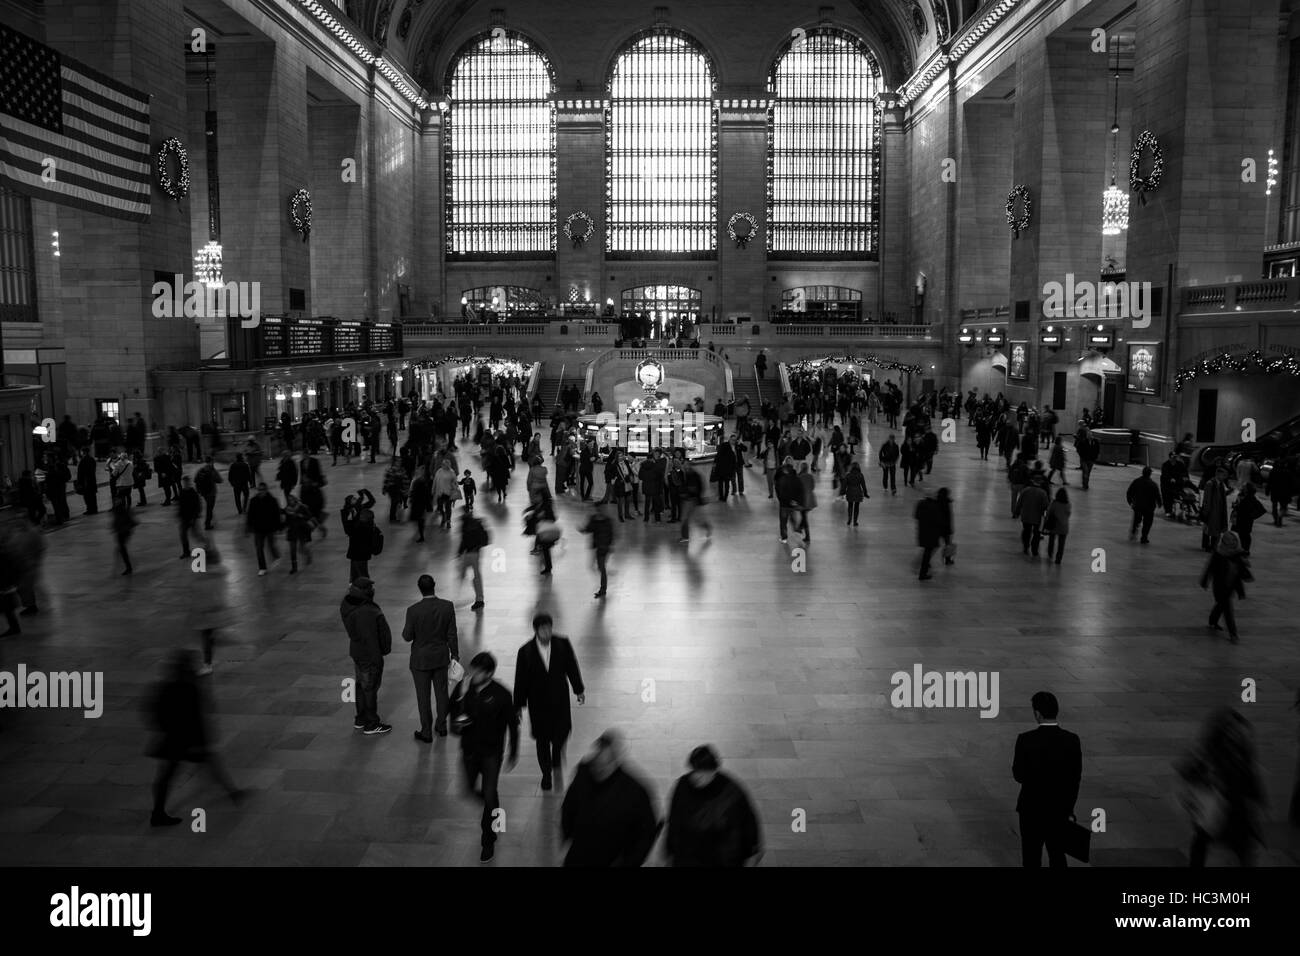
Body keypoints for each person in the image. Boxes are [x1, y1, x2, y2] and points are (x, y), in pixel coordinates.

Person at [146, 650, 242, 826]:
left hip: (173, 739)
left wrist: (164, 730)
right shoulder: (189, 689)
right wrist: (201, 741)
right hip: (186, 740)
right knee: (209, 764)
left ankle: (158, 812)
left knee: (167, 775)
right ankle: (232, 792)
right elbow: (197, 717)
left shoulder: (167, 687)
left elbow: (154, 711)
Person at [450, 652, 519, 863]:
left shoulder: (501, 694)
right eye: (472, 669)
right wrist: (456, 725)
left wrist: (513, 752)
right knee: (469, 790)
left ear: (489, 673)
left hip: (491, 753)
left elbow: (512, 726)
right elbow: (452, 713)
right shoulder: (464, 688)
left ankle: (488, 839)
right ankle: (493, 805)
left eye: (478, 671)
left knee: (489, 794)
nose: (472, 674)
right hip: (469, 750)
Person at [1175, 707, 1264, 867]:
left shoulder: (1241, 750)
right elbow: (1189, 770)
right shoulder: (1212, 753)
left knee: (1238, 844)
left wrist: (1257, 799)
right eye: (1233, 730)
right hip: (1217, 804)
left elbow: (1250, 777)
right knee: (1206, 838)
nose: (1239, 734)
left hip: (1233, 807)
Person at [560, 730, 660, 867]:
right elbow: (569, 806)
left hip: (612, 858)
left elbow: (646, 833)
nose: (600, 769)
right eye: (597, 762)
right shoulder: (583, 774)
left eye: (606, 764)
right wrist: (567, 834)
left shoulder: (634, 791)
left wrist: (630, 862)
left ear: (616, 762)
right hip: (580, 854)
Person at [513, 613, 586, 791]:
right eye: (543, 629)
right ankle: (546, 773)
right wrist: (518, 706)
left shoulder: (562, 643)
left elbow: (572, 666)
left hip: (559, 699)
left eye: (549, 628)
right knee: (542, 739)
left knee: (562, 732)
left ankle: (556, 756)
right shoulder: (526, 651)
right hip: (538, 703)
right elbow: (520, 679)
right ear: (536, 630)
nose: (546, 632)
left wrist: (579, 689)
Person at [1012, 691, 1083, 868]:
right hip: (1059, 810)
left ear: (1037, 714)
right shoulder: (1072, 740)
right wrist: (1069, 807)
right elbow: (1075, 779)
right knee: (1058, 856)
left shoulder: (1025, 739)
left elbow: (1018, 775)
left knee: (1031, 857)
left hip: (1031, 809)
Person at [664, 745, 763, 867]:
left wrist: (752, 853)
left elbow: (747, 824)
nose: (697, 776)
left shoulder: (732, 793)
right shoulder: (682, 786)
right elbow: (674, 820)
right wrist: (669, 850)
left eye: (703, 771)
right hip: (688, 857)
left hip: (720, 859)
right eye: (695, 770)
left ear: (713, 771)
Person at [403, 574, 460, 741]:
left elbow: (407, 636)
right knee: (442, 694)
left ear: (419, 589)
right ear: (434, 586)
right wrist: (455, 654)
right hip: (441, 658)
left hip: (420, 660)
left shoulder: (413, 610)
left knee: (423, 697)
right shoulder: (447, 606)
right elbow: (452, 634)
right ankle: (441, 726)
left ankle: (426, 731)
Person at [341, 577, 393, 735]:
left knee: (360, 685)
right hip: (369, 655)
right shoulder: (366, 612)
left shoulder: (348, 603)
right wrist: (377, 659)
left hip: (357, 651)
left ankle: (360, 718)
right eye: (370, 588)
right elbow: (370, 638)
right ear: (363, 591)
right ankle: (371, 723)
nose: (373, 590)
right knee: (370, 688)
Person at [1199, 530, 1251, 644]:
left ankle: (1212, 620)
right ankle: (1233, 634)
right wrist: (1205, 581)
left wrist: (1246, 577)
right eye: (1230, 542)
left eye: (1234, 542)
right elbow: (1210, 569)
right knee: (1227, 609)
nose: (1232, 544)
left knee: (1221, 605)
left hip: (1231, 586)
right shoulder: (1218, 554)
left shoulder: (1237, 554)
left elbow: (1241, 571)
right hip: (1219, 586)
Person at [246, 483, 283, 576]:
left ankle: (276, 556)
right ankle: (262, 568)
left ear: (266, 490)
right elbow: (250, 515)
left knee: (271, 545)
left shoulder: (272, 500)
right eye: (259, 490)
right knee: (259, 548)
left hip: (269, 528)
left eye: (263, 490)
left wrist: (279, 527)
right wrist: (248, 527)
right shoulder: (253, 501)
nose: (261, 492)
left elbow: (277, 515)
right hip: (258, 529)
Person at [580, 501, 615, 598]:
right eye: (600, 509)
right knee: (596, 567)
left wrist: (610, 545)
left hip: (603, 547)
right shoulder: (594, 519)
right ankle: (603, 587)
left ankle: (603, 589)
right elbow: (588, 529)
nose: (601, 510)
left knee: (601, 567)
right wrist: (582, 529)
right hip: (598, 546)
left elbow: (611, 534)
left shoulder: (606, 520)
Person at [457, 511, 489, 610]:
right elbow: (485, 539)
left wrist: (459, 552)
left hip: (470, 553)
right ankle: (478, 597)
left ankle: (476, 598)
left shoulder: (466, 525)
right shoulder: (477, 524)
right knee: (475, 575)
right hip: (475, 552)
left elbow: (464, 540)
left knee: (471, 575)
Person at [1013, 477, 1049, 558]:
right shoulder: (1043, 493)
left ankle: (1026, 546)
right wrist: (1046, 517)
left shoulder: (1025, 490)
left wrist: (1016, 512)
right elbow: (1046, 506)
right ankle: (1034, 550)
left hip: (1026, 515)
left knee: (1026, 531)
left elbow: (1019, 502)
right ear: (1040, 483)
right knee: (1036, 533)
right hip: (1037, 517)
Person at [1125, 466, 1162, 545]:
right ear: (1150, 474)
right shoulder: (1153, 484)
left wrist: (1130, 502)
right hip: (1149, 507)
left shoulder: (1136, 481)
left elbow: (1129, 492)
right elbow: (1157, 495)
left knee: (1136, 520)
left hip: (1138, 506)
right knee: (1147, 523)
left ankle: (1134, 531)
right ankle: (1144, 537)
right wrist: (1160, 503)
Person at [1200, 466, 1231, 552]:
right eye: (1224, 475)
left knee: (1216, 529)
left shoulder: (1220, 484)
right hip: (1212, 510)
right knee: (1209, 528)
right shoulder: (1210, 484)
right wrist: (1206, 511)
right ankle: (1207, 545)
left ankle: (1213, 545)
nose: (1225, 478)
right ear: (1218, 474)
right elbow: (1207, 499)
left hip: (1218, 510)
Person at [1231, 483, 1267, 556]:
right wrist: (1235, 505)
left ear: (1248, 489)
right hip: (1237, 519)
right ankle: (1237, 549)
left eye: (1244, 487)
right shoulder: (1240, 495)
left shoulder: (1251, 498)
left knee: (1245, 535)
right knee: (1235, 534)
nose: (1243, 487)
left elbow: (1261, 510)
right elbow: (1238, 504)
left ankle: (1245, 550)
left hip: (1246, 520)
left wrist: (1252, 516)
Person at [176, 475, 204, 559]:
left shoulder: (193, 493)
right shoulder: (182, 492)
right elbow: (180, 505)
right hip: (184, 519)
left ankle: (204, 547)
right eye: (184, 483)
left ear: (189, 483)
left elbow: (198, 506)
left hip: (192, 519)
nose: (185, 484)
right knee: (183, 535)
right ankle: (186, 552)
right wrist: (179, 515)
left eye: (187, 482)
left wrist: (194, 518)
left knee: (197, 535)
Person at [1043, 487, 1071, 565]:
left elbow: (1048, 513)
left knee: (1051, 541)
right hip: (1064, 527)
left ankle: (1050, 553)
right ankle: (1058, 559)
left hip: (1054, 526)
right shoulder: (1068, 504)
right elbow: (1068, 514)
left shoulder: (1054, 504)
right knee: (1061, 544)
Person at [194, 457, 223, 530]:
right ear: (212, 462)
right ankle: (207, 524)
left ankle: (209, 520)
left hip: (204, 492)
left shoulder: (201, 470)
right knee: (209, 508)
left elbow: (195, 480)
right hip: (211, 492)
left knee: (209, 507)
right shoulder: (212, 470)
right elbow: (220, 480)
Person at [111, 497, 136, 575]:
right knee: (121, 549)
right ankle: (127, 567)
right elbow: (117, 521)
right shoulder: (117, 510)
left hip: (123, 532)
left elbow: (130, 521)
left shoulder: (122, 511)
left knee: (122, 549)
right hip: (121, 532)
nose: (115, 503)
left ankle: (128, 567)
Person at [843, 461, 869, 527]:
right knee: (856, 507)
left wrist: (843, 492)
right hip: (858, 493)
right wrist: (865, 493)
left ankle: (849, 519)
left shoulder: (848, 475)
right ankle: (855, 522)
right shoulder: (860, 475)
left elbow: (844, 485)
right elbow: (863, 485)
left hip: (850, 492)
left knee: (850, 505)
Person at [77, 448, 99, 515]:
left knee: (87, 497)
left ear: (83, 452)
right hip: (92, 480)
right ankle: (94, 509)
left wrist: (79, 481)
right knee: (93, 496)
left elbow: (80, 472)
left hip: (86, 482)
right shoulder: (92, 459)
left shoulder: (83, 460)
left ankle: (90, 509)